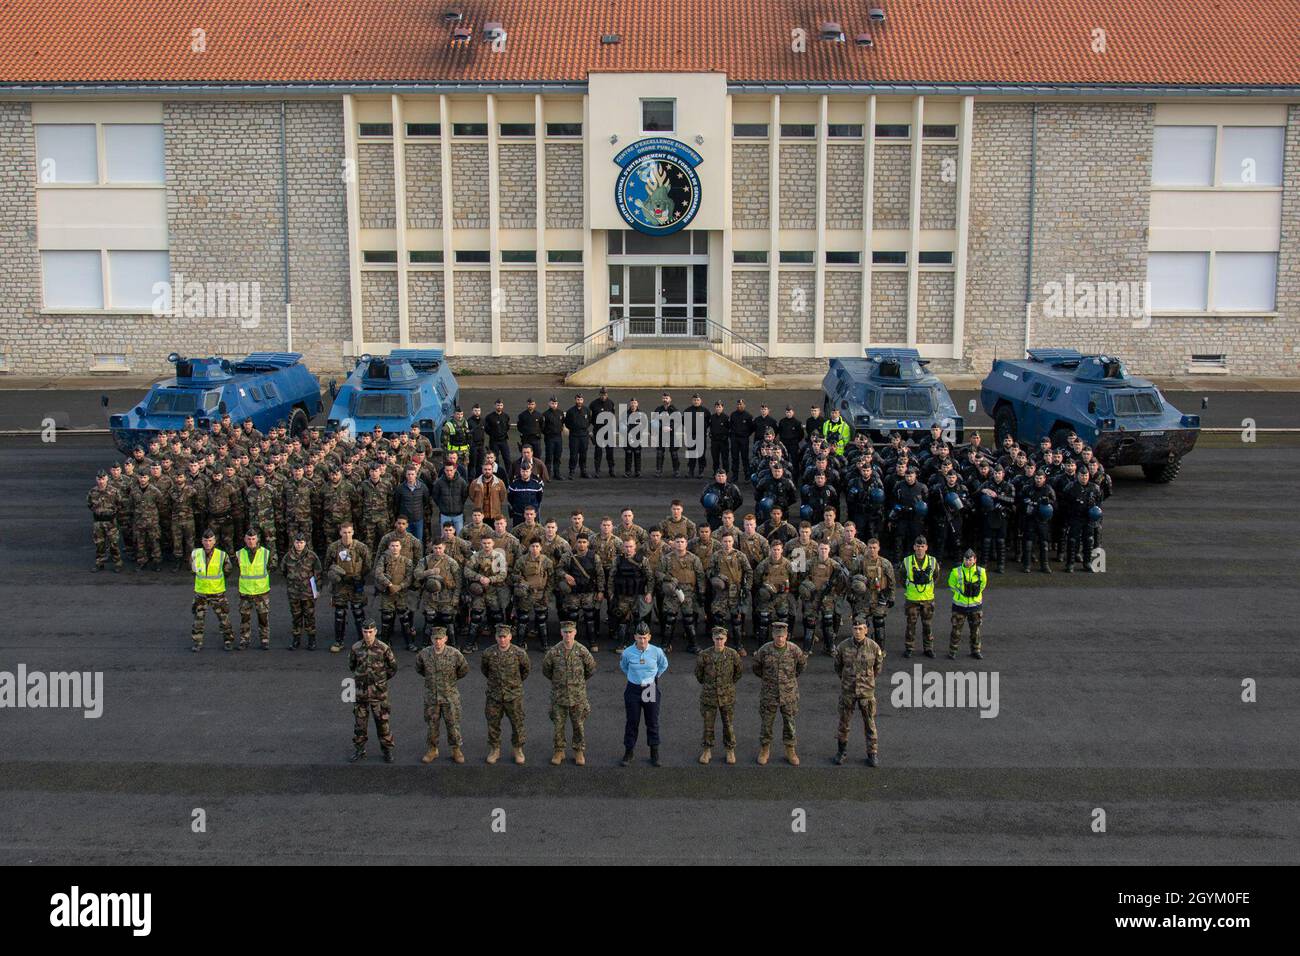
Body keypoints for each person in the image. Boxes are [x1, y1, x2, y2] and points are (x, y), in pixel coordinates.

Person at [542, 619, 597, 765]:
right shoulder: (553, 652)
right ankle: (559, 751)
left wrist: (578, 683)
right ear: (561, 633)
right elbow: (546, 670)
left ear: (575, 633)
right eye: (565, 632)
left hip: (577, 696)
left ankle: (579, 751)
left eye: (570, 632)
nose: (568, 635)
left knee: (578, 724)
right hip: (559, 696)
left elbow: (591, 669)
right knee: (558, 725)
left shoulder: (582, 651)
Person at [752, 621, 807, 765]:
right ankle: (765, 749)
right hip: (769, 694)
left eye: (782, 636)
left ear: (787, 635)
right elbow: (756, 667)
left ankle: (790, 750)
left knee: (789, 723)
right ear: (773, 635)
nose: (780, 639)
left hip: (788, 694)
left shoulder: (794, 650)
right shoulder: (764, 650)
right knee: (766, 724)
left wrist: (789, 680)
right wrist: (768, 680)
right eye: (777, 636)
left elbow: (801, 666)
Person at [832, 618, 885, 766]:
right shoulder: (843, 646)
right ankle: (841, 752)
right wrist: (847, 679)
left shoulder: (874, 647)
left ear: (866, 630)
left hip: (866, 692)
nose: (858, 631)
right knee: (844, 723)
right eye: (855, 628)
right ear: (852, 630)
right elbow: (838, 667)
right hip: (848, 690)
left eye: (861, 628)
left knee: (870, 724)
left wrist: (867, 682)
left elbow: (877, 669)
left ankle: (872, 754)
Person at [415, 626, 469, 764]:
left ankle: (456, 749)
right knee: (432, 725)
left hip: (449, 696)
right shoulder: (424, 654)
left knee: (453, 724)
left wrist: (449, 683)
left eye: (440, 639)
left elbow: (463, 670)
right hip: (432, 697)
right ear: (431, 639)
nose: (438, 642)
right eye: (435, 639)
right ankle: (432, 749)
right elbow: (420, 669)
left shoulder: (454, 654)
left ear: (446, 639)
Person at [348, 619, 399, 763]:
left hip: (379, 694)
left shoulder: (383, 648)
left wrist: (380, 680)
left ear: (375, 632)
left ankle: (387, 750)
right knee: (360, 724)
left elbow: (393, 667)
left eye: (370, 632)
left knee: (383, 723)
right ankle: (359, 749)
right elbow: (352, 666)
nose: (368, 635)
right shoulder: (356, 648)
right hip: (361, 693)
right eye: (365, 632)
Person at [481, 623, 531, 765]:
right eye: (499, 636)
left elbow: (525, 670)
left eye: (505, 636)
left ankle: (518, 749)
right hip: (494, 696)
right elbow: (485, 670)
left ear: (510, 637)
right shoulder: (488, 653)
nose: (502, 639)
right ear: (495, 637)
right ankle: (494, 749)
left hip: (513, 696)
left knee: (517, 724)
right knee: (493, 724)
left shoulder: (519, 653)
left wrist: (514, 684)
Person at [620, 622, 668, 767]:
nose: (642, 641)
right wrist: (634, 677)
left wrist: (654, 678)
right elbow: (624, 666)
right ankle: (629, 752)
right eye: (640, 638)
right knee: (632, 722)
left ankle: (654, 753)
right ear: (635, 637)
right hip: (633, 689)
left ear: (650, 637)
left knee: (652, 722)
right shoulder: (627, 652)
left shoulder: (657, 651)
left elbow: (663, 664)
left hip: (650, 689)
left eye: (645, 638)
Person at [695, 625, 743, 765]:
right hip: (709, 696)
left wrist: (727, 685)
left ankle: (729, 750)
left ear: (726, 639)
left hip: (727, 696)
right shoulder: (704, 655)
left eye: (722, 639)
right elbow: (699, 675)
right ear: (712, 638)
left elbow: (738, 672)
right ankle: (707, 750)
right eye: (717, 639)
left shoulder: (732, 654)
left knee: (728, 725)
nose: (719, 641)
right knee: (708, 725)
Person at [326, 521, 373, 653]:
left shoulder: (361, 547)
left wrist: (359, 577)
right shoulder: (333, 547)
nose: (347, 535)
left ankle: (363, 641)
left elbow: (368, 565)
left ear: (353, 532)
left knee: (358, 612)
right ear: (340, 532)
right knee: (339, 613)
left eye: (349, 532)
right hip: (340, 585)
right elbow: (328, 565)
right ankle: (338, 641)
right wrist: (335, 574)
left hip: (355, 583)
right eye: (344, 532)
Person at [190, 528, 234, 652]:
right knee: (198, 619)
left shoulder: (222, 555)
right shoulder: (195, 554)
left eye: (210, 540)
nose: (208, 543)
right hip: (201, 593)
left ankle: (228, 641)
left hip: (217, 592)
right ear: (202, 541)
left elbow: (228, 571)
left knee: (224, 618)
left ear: (214, 541)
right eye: (205, 540)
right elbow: (192, 570)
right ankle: (197, 642)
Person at [281, 530, 322, 650]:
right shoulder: (288, 556)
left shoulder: (312, 556)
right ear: (294, 543)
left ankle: (311, 640)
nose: (299, 544)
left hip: (308, 592)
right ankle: (296, 640)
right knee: (296, 617)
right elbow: (283, 570)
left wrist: (318, 589)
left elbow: (318, 573)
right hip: (293, 592)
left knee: (309, 616)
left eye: (302, 542)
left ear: (305, 543)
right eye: (297, 542)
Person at [375, 537, 416, 651]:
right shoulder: (384, 559)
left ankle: (409, 643)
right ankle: (385, 643)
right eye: (392, 546)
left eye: (397, 546)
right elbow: (378, 573)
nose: (394, 548)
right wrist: (389, 585)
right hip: (387, 594)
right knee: (386, 619)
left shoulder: (407, 561)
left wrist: (400, 586)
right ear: (389, 547)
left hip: (401, 594)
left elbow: (409, 578)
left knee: (405, 619)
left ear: (400, 547)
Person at [902, 536, 939, 658]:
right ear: (914, 547)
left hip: (927, 598)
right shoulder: (907, 561)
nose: (920, 549)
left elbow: (936, 576)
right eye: (917, 546)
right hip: (912, 598)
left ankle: (928, 648)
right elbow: (902, 577)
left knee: (927, 624)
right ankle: (909, 647)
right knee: (910, 624)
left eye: (922, 546)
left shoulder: (933, 561)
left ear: (926, 547)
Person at [236, 527, 272, 650]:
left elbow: (272, 566)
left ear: (257, 539)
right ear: (245, 539)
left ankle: (265, 640)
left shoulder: (266, 553)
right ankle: (244, 640)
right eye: (249, 539)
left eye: (253, 539)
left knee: (263, 618)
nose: (251, 541)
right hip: (245, 593)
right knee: (244, 618)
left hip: (261, 592)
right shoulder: (239, 553)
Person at [948, 548, 987, 659]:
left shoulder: (981, 572)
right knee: (956, 630)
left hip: (975, 606)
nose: (968, 561)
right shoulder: (956, 571)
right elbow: (951, 585)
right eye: (966, 559)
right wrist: (961, 595)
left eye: (970, 559)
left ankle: (976, 650)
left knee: (975, 631)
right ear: (963, 560)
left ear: (975, 560)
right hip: (959, 606)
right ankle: (953, 651)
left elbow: (983, 585)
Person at [88, 470, 123, 572]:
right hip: (98, 522)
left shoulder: (114, 491)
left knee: (114, 544)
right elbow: (89, 504)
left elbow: (120, 504)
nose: (101, 481)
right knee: (99, 544)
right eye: (99, 479)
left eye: (103, 479)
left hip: (110, 522)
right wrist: (98, 512)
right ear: (96, 479)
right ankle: (100, 563)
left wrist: (112, 513)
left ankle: (118, 563)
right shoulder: (92, 492)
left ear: (107, 479)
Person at [564, 394, 592, 479]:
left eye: (580, 399)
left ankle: (583, 471)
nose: (579, 401)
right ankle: (571, 472)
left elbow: (589, 421)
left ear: (583, 400)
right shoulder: (570, 411)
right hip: (574, 436)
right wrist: (574, 428)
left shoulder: (587, 410)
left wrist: (584, 427)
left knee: (583, 454)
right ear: (575, 400)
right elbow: (567, 423)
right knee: (573, 455)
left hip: (584, 436)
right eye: (577, 399)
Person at [542, 396, 565, 480]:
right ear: (549, 403)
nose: (554, 405)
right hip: (549, 438)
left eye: (555, 403)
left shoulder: (560, 413)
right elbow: (542, 427)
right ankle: (547, 475)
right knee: (549, 457)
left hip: (558, 438)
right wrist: (548, 434)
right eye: (552, 403)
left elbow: (562, 424)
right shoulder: (545, 414)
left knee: (557, 456)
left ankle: (557, 474)